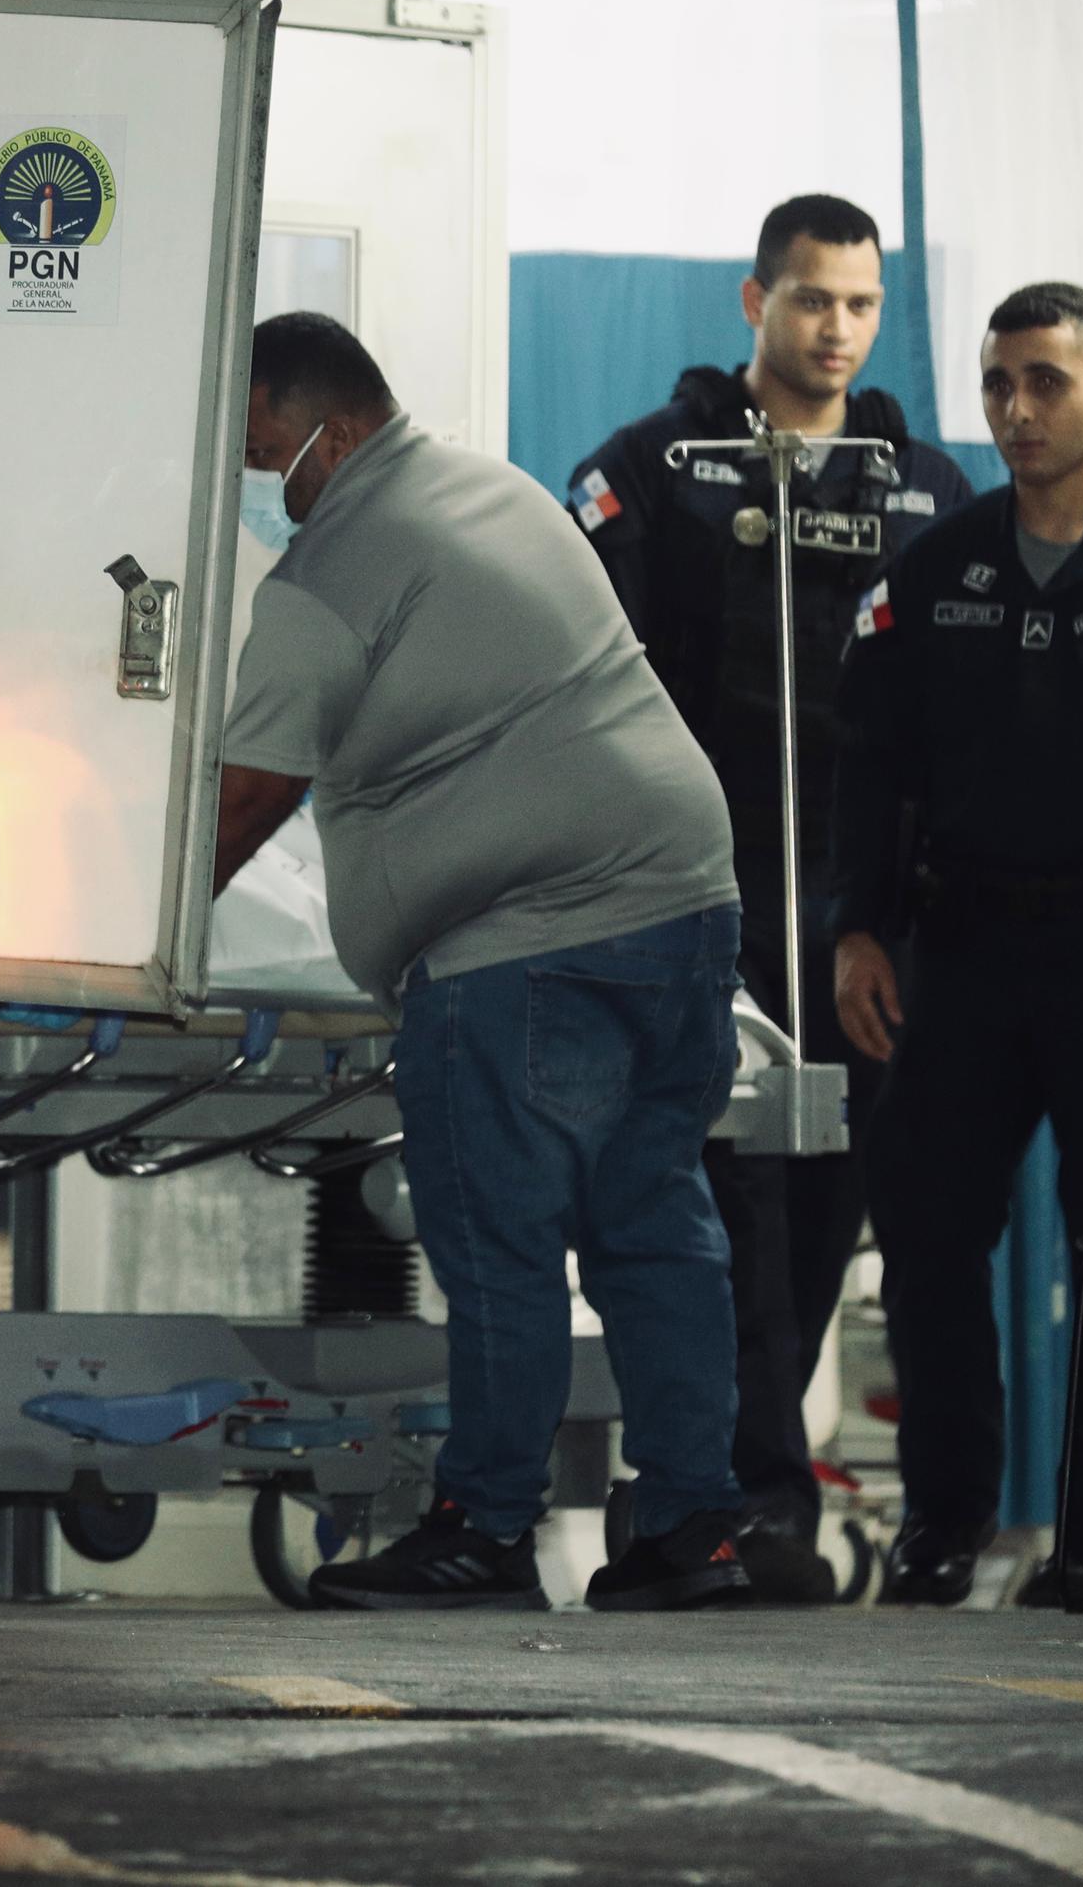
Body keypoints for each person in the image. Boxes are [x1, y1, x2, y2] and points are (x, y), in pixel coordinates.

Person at [217, 310, 754, 1613]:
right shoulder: (494, 484)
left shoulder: (335, 566)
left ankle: (484, 1524)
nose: (250, 478)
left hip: (529, 938)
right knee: (653, 1227)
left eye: (260, 446)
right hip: (685, 905)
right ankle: (693, 1525)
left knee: (496, 1236)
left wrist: (142, 928)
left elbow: (238, 799)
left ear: (333, 428)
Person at [567, 192, 975, 1598]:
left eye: (862, 303)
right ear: (756, 301)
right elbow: (581, 671)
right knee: (721, 1199)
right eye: (813, 299)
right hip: (701, 900)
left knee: (832, 1206)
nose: (838, 328)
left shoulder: (923, 489)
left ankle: (740, 1486)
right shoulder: (652, 470)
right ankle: (742, 1491)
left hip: (863, 916)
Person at [830, 282, 1083, 1606]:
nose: (1016, 409)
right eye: (1000, 382)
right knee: (932, 1231)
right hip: (963, 943)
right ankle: (944, 1522)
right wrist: (859, 930)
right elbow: (870, 765)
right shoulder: (936, 570)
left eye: (1047, 380)